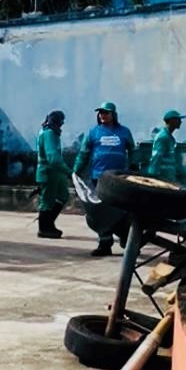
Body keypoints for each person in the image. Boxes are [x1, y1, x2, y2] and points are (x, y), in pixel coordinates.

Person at [73, 101, 136, 257]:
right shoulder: (93, 132)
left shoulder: (124, 132)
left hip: (120, 178)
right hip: (99, 178)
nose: (102, 115)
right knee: (101, 211)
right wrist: (76, 170)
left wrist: (134, 167)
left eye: (106, 112)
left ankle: (125, 237)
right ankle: (105, 243)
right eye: (100, 112)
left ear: (113, 114)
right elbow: (84, 153)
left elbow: (133, 150)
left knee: (122, 210)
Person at [35, 110, 70, 239]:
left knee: (63, 196)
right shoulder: (49, 134)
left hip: (56, 173)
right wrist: (68, 171)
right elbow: (53, 158)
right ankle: (44, 228)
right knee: (47, 201)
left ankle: (50, 223)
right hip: (48, 172)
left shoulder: (52, 133)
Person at [148, 110, 185, 182]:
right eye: (178, 120)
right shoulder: (163, 137)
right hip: (163, 178)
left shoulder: (169, 137)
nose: (181, 122)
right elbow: (156, 157)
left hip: (169, 177)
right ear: (172, 121)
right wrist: (152, 177)